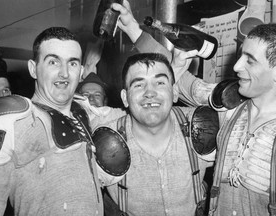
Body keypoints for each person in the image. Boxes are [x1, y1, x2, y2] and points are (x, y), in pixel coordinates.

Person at [115, 4, 276, 214]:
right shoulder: (229, 107)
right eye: (240, 56)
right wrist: (132, 30)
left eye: (250, 61)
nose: (236, 67)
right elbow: (171, 75)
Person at [0, 27, 128, 216]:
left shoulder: (83, 112)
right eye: (53, 62)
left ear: (81, 72)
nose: (64, 73)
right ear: (33, 68)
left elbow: (142, 112)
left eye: (72, 63)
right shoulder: (13, 119)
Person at [97, 52, 216, 215]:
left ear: (174, 92)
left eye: (160, 82)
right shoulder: (104, 142)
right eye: (138, 85)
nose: (149, 92)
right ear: (125, 98)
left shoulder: (203, 127)